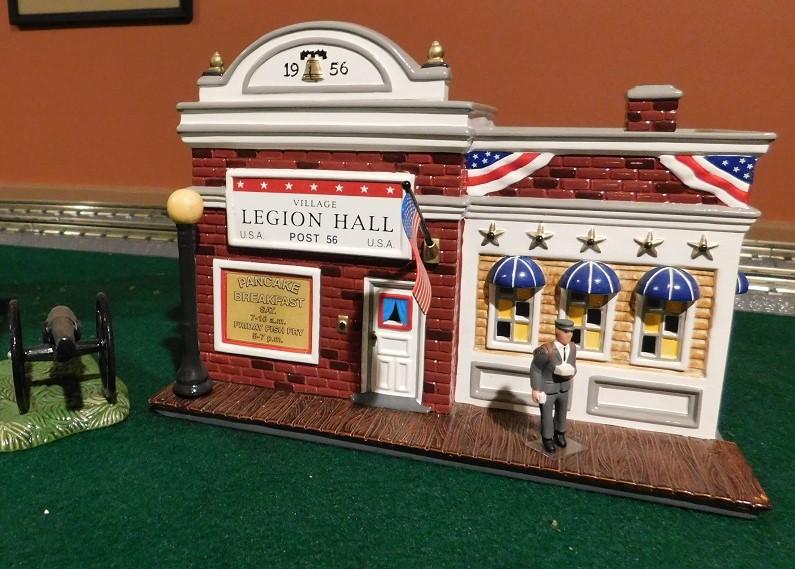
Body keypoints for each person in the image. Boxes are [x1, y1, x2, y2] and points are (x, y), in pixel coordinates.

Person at [531, 318, 577, 453]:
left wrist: (573, 371)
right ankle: (547, 438)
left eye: (571, 332)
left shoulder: (573, 347)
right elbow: (535, 369)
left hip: (564, 387)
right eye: (566, 331)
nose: (569, 334)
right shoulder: (546, 350)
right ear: (557, 331)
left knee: (562, 412)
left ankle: (560, 433)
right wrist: (536, 389)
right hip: (548, 388)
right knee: (546, 414)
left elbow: (573, 364)